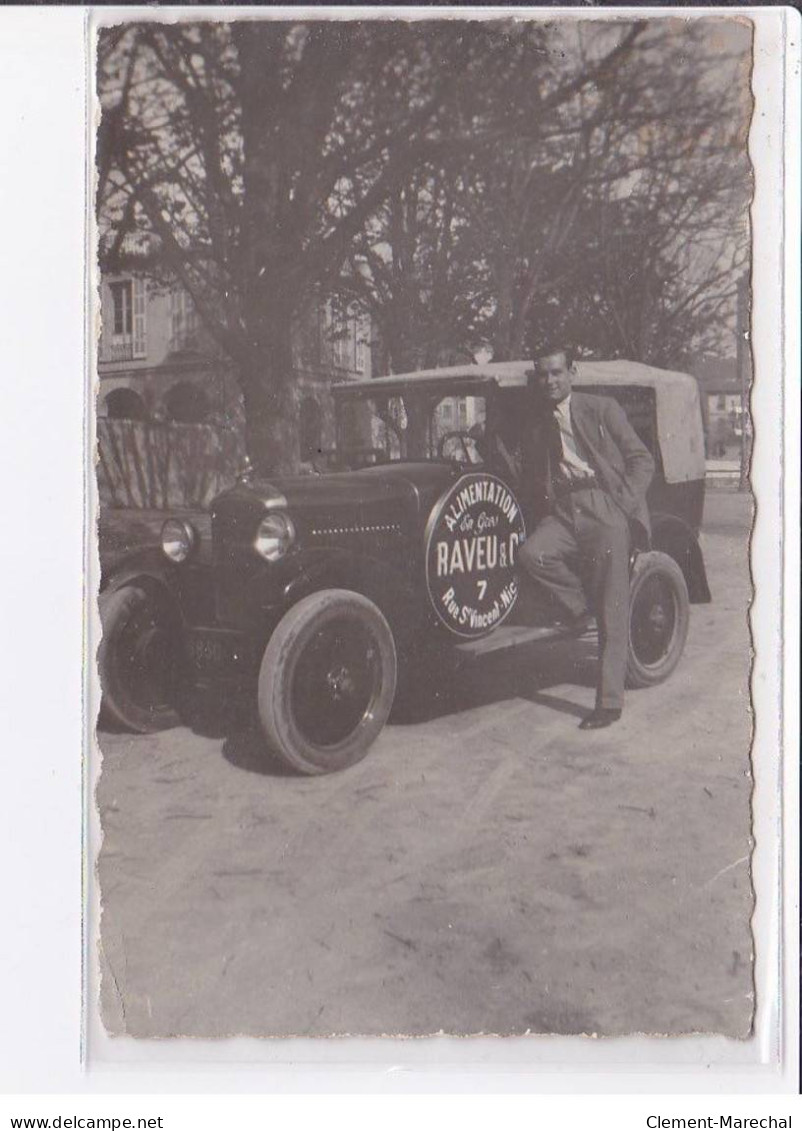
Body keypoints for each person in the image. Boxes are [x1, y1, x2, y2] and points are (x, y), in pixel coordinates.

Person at [517, 349, 655, 730]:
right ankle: (580, 609)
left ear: (573, 372)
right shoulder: (538, 420)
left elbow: (642, 460)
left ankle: (609, 703)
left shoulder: (602, 408)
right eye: (543, 375)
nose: (550, 381)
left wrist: (622, 508)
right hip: (564, 511)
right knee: (533, 554)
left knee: (613, 606)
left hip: (605, 505)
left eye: (557, 373)